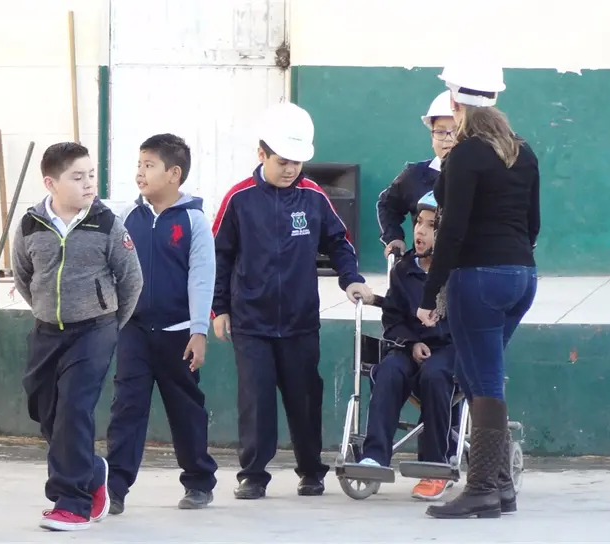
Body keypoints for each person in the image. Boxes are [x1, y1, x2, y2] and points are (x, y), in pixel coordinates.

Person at [212, 102, 374, 500]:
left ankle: (311, 471)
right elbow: (219, 257)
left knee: (305, 400)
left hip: (301, 321)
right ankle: (252, 475)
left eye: (298, 162)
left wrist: (350, 279)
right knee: (256, 401)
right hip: (251, 323)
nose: (291, 170)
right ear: (261, 153)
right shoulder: (238, 199)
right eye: (283, 161)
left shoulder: (314, 197)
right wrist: (220, 308)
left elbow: (339, 243)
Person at [416, 65, 540, 519]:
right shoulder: (521, 152)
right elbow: (534, 224)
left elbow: (451, 231)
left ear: (455, 103)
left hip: (479, 278)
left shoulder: (464, 155)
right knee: (475, 375)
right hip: (521, 276)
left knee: (483, 380)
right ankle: (501, 487)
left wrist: (430, 295)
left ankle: (483, 487)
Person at [12, 142, 143, 531]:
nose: (88, 184)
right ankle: (91, 472)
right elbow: (23, 275)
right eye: (77, 177)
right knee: (45, 411)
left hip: (95, 330)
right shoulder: (30, 224)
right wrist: (44, 307)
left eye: (91, 175)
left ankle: (71, 501)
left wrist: (108, 324)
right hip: (46, 331)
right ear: (51, 182)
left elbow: (131, 281)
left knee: (73, 411)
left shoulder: (107, 223)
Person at [105, 133, 219, 513]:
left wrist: (198, 331)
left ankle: (199, 482)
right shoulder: (125, 217)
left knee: (186, 410)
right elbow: (112, 271)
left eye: (149, 165)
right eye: (139, 165)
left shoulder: (194, 221)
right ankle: (115, 488)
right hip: (134, 332)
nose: (140, 172)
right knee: (126, 409)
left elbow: (201, 277)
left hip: (178, 335)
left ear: (174, 174)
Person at [356, 191, 460, 501]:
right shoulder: (403, 270)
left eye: (431, 225)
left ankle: (433, 465)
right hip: (408, 348)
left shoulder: (459, 274)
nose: (420, 231)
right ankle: (374, 456)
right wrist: (412, 342)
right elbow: (393, 317)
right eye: (418, 223)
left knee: (435, 377)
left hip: (448, 350)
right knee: (388, 371)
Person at [376, 90, 457, 258]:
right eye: (440, 132)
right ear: (431, 135)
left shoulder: (484, 174)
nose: (448, 139)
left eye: (456, 131)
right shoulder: (415, 175)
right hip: (424, 272)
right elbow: (387, 204)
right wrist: (394, 238)